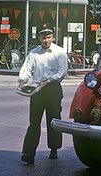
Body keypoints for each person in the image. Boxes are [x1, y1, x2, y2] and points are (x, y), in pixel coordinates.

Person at [17, 23, 68, 165]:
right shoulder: (34, 53)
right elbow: (27, 68)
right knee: (34, 122)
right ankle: (29, 153)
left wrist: (50, 80)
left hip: (53, 89)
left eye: (49, 37)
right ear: (39, 38)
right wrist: (22, 81)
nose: (46, 40)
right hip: (37, 89)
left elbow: (62, 72)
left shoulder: (59, 52)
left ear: (52, 37)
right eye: (43, 37)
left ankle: (54, 149)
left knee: (53, 120)